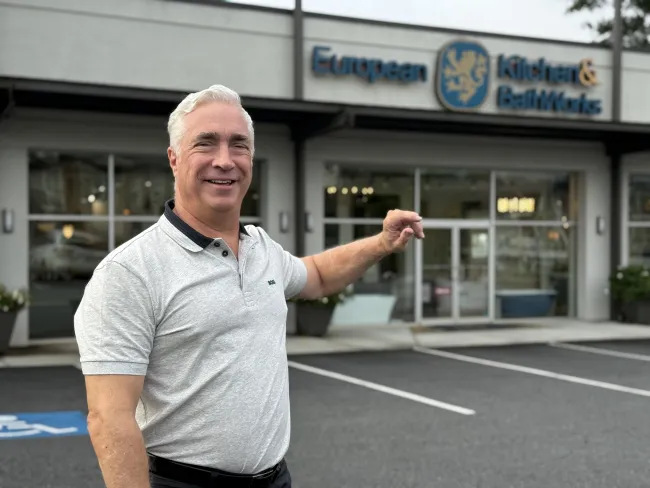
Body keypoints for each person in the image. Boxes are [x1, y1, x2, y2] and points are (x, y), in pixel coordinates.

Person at [74, 84, 425, 488]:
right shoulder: (130, 272)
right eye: (205, 143)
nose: (224, 160)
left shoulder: (262, 249)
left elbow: (320, 275)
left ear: (251, 160)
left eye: (238, 145)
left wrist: (381, 243)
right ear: (174, 159)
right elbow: (109, 419)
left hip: (275, 480)